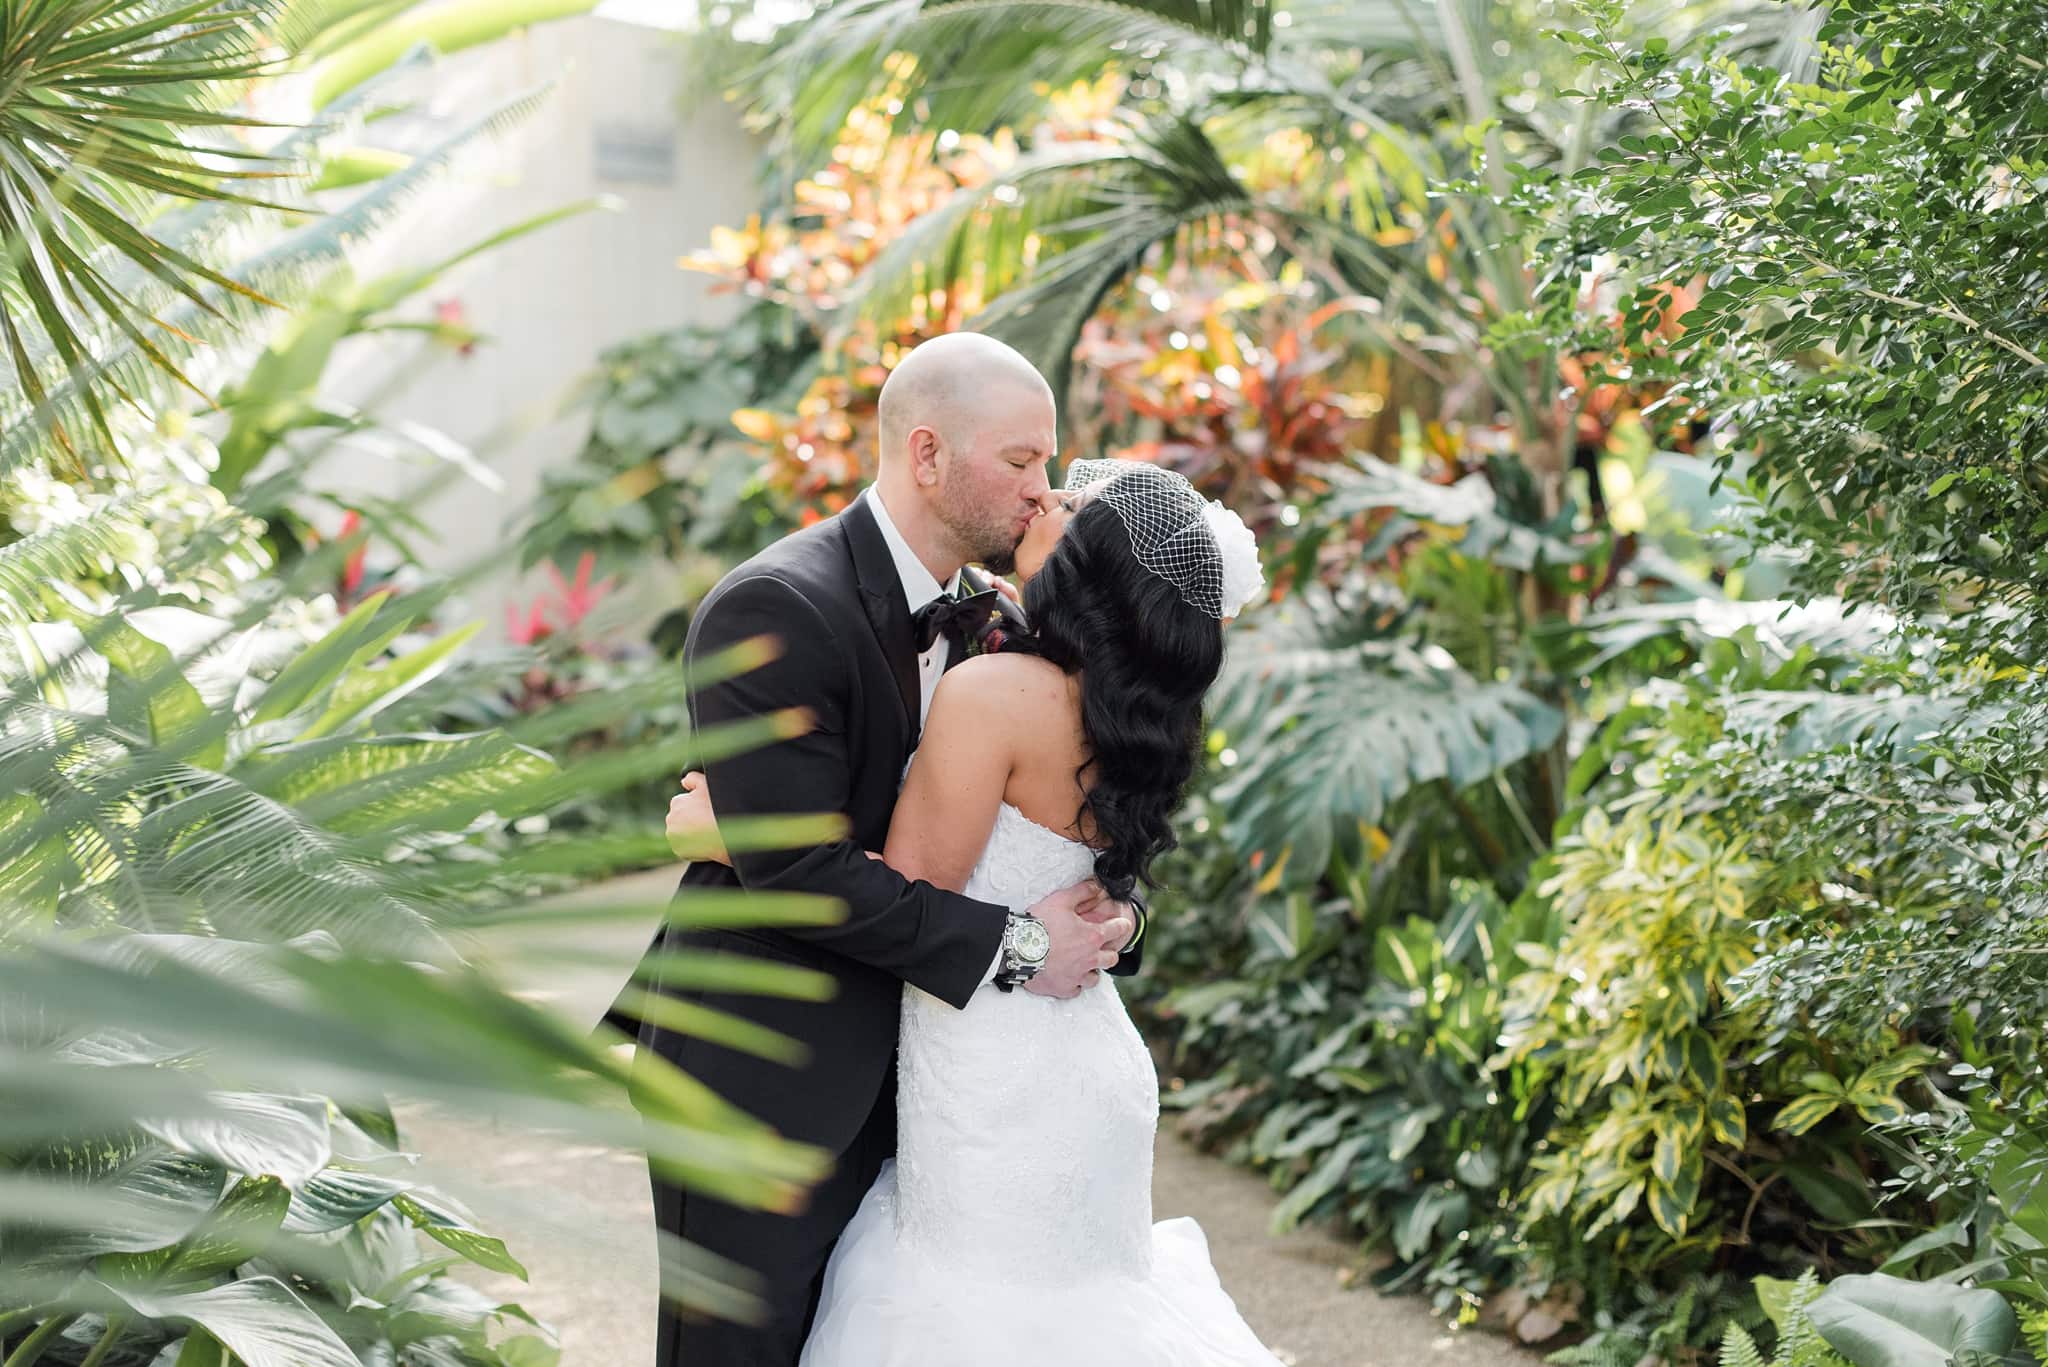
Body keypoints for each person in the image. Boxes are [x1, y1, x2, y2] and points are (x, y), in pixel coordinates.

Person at [672, 456, 1281, 1365]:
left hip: (993, 1068)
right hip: (1083, 1058)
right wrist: (1120, 921)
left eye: (1068, 500)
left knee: (974, 1315)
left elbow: (913, 880)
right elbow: (1094, 880)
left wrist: (739, 832)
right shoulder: (1132, 707)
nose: (1045, 494)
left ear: (1091, 563)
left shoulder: (995, 690)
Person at [616, 332, 1144, 1367]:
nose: (1043, 492)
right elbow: (800, 874)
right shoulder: (774, 604)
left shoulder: (999, 619)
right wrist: (1018, 946)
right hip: (762, 1065)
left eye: (1048, 461)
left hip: (933, 1082)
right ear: (926, 453)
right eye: (1020, 459)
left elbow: (1069, 815)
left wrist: (1115, 915)